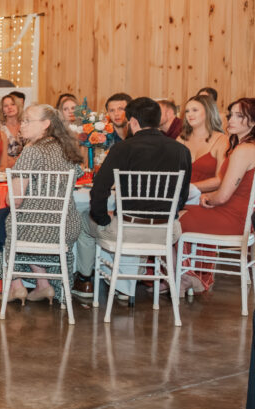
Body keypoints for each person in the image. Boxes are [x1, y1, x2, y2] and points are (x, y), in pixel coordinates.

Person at [72, 97, 192, 301]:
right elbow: (182, 197)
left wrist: (102, 219)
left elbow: (99, 191)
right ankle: (122, 288)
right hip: (165, 231)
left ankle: (84, 280)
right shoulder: (181, 150)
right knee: (112, 220)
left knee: (84, 220)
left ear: (133, 121)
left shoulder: (123, 148)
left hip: (127, 229)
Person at [0, 104, 85, 305]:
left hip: (37, 228)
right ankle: (42, 284)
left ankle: (16, 284)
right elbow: (78, 178)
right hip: (67, 225)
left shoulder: (31, 152)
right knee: (5, 221)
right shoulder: (67, 149)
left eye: (28, 120)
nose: (22, 124)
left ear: (46, 124)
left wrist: (8, 196)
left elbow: (16, 199)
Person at [178, 98, 255, 293]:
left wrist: (207, 198)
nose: (231, 120)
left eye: (240, 116)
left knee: (170, 221)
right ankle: (186, 275)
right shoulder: (243, 147)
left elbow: (222, 197)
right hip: (240, 215)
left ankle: (189, 277)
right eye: (231, 115)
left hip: (232, 217)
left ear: (252, 122)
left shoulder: (244, 150)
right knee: (176, 216)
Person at [177, 94, 228, 192]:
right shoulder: (180, 139)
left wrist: (188, 188)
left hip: (207, 198)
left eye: (195, 110)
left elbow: (220, 180)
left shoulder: (222, 140)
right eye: (187, 111)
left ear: (208, 112)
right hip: (180, 196)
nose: (189, 114)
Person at [1, 93, 25, 162]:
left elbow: (32, 147)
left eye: (13, 104)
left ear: (18, 106)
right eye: (6, 106)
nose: (9, 107)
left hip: (25, 163)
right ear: (2, 110)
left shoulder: (26, 124)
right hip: (5, 164)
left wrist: (18, 160)